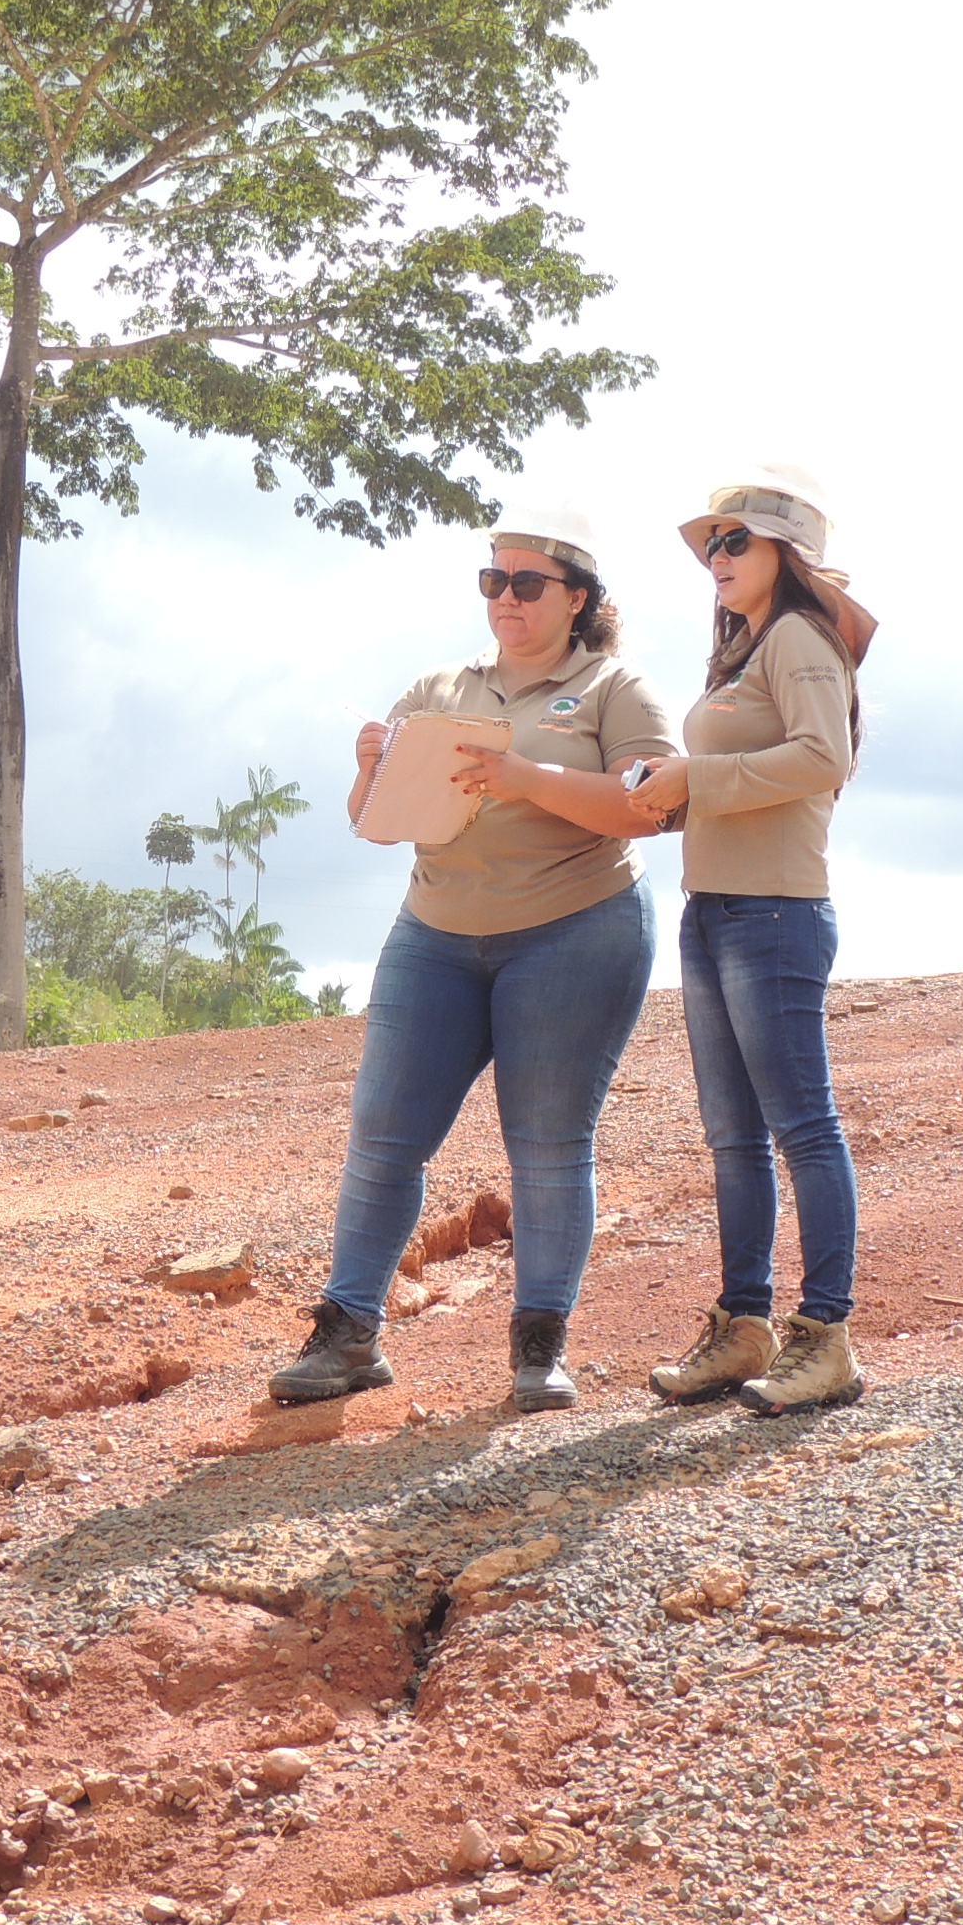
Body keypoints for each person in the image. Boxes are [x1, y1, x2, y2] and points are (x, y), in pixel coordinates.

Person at [268, 515, 678, 1414]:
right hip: (437, 933)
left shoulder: (617, 689)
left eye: (528, 585)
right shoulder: (441, 686)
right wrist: (369, 769)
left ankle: (539, 1348)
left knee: (544, 1141)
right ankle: (348, 1334)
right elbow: (376, 821)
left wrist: (530, 778)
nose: (507, 600)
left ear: (579, 599)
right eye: (493, 582)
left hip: (576, 927)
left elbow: (653, 808)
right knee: (383, 1134)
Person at [623, 472, 879, 1415]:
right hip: (717, 907)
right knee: (733, 1135)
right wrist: (675, 784)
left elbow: (825, 758)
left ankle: (825, 1337)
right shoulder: (744, 649)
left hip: (773, 912)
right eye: (713, 545)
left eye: (738, 543)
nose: (718, 559)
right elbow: (752, 768)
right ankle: (744, 1327)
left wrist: (701, 773)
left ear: (787, 557)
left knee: (801, 1126)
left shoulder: (803, 638)